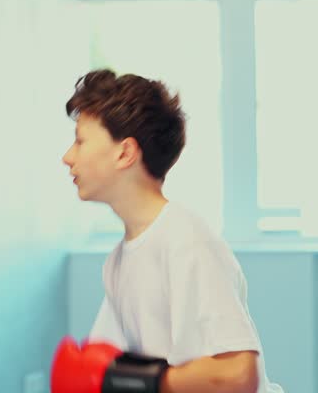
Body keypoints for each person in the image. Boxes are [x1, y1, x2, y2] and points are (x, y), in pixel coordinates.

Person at [51, 69, 283, 393]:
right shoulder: (119, 261)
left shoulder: (186, 240)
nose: (67, 157)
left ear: (125, 153)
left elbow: (239, 374)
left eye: (80, 140)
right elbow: (107, 364)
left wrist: (141, 382)